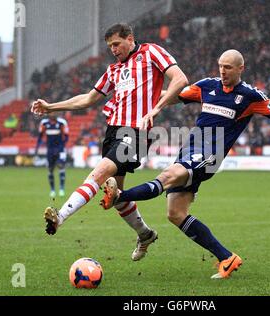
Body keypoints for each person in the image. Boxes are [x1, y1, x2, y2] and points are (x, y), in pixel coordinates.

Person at [100, 49, 270, 279]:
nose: (223, 71)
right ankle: (227, 257)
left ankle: (119, 196)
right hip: (189, 150)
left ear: (241, 68)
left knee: (168, 175)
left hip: (209, 155)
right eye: (220, 65)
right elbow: (173, 96)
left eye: (228, 67)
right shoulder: (206, 86)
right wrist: (138, 97)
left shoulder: (251, 96)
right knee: (175, 213)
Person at [31, 23, 188, 261]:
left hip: (137, 131)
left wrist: (156, 108)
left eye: (116, 44)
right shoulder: (114, 69)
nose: (113, 50)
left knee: (100, 174)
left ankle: (60, 216)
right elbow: (88, 99)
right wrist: (51, 107)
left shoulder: (151, 52)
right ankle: (145, 234)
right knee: (116, 195)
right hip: (113, 131)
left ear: (130, 38)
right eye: (109, 46)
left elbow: (180, 78)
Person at [35, 112, 69, 198]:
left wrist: (62, 147)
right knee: (50, 169)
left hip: (60, 150)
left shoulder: (62, 123)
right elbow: (40, 136)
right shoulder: (44, 123)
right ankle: (52, 190)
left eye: (55, 112)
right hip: (50, 150)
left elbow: (66, 136)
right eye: (51, 112)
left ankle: (61, 189)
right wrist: (37, 147)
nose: (53, 114)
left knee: (61, 166)